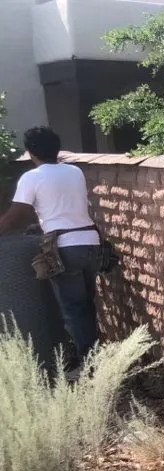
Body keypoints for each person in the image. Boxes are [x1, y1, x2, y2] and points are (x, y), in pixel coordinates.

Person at [0, 127, 101, 371]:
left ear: (30, 152)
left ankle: (89, 367)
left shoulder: (32, 177)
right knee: (86, 306)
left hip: (65, 249)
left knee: (73, 310)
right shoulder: (75, 171)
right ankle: (94, 360)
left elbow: (15, 216)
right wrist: (41, 224)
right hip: (91, 243)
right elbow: (63, 207)